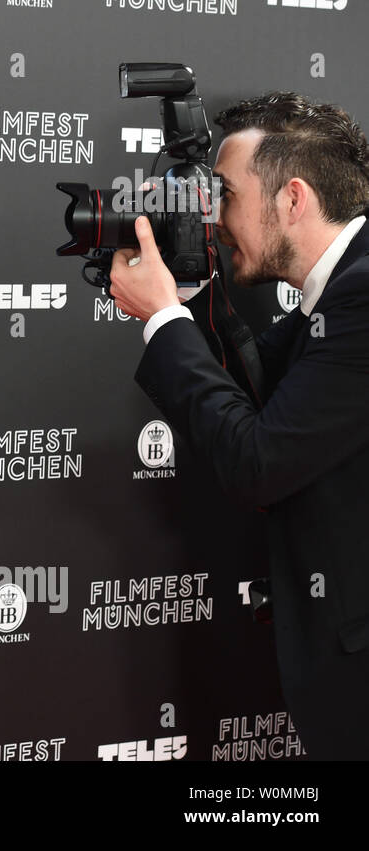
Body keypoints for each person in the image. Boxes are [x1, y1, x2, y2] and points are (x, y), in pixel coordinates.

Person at [110, 92, 369, 759]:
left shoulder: (361, 299)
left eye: (222, 195)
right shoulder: (341, 291)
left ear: (293, 199)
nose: (212, 217)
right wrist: (189, 291)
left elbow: (260, 459)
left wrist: (163, 319)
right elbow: (259, 381)